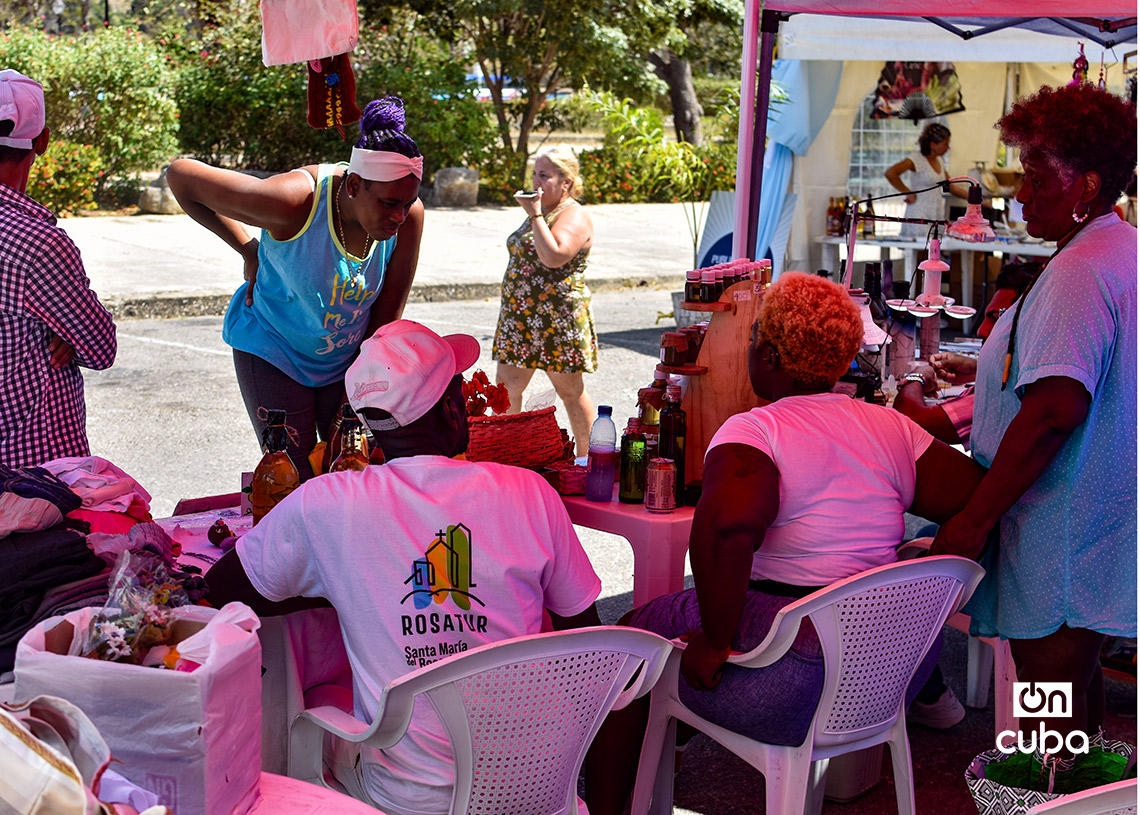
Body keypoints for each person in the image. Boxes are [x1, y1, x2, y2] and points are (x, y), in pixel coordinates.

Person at [584, 272, 985, 815]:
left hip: (794, 674)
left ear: (768, 356)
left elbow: (727, 531)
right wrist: (930, 567)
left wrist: (715, 640)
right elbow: (978, 502)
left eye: (751, 342)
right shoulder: (892, 429)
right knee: (671, 632)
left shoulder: (756, 430)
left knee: (626, 644)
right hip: (891, 668)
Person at [206, 319, 602, 815]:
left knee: (321, 699)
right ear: (455, 409)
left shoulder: (326, 505)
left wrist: (343, 581)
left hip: (408, 799)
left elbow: (221, 588)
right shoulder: (530, 494)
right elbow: (587, 638)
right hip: (534, 790)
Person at [931, 83, 1137, 751]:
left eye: (1038, 176)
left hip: (1059, 532)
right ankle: (1082, 793)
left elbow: (1056, 408)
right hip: (1095, 522)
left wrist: (972, 518)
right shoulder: (1118, 248)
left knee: (1048, 712)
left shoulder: (1082, 270)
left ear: (1089, 184)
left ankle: (1057, 798)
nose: (1021, 193)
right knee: (1073, 694)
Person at [166, 97, 425, 479]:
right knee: (294, 476)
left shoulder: (407, 218)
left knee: (353, 472)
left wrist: (354, 395)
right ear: (353, 184)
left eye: (408, 203)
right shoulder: (294, 202)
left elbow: (386, 317)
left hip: (346, 360)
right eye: (389, 204)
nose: (399, 217)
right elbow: (181, 175)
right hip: (275, 351)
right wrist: (247, 249)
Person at [0, 69, 116, 467]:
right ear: (43, 141)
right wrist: (63, 327)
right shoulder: (36, 243)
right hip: (33, 476)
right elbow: (100, 348)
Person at [492, 147, 597, 455]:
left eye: (545, 176)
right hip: (522, 318)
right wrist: (536, 213)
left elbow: (553, 256)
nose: (536, 182)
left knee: (570, 392)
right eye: (535, 174)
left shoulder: (573, 214)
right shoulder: (541, 211)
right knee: (505, 390)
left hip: (555, 320)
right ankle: (505, 457)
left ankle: (588, 460)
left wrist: (535, 214)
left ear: (567, 182)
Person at [894, 262, 1040, 447]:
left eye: (995, 318)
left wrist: (918, 376)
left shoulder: (1003, 394)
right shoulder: (1029, 376)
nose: (980, 330)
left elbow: (912, 420)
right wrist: (979, 368)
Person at [884, 123, 971, 237]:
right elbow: (891, 173)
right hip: (919, 213)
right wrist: (908, 192)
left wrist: (977, 200)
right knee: (920, 251)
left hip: (935, 213)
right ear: (933, 145)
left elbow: (950, 187)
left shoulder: (939, 161)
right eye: (945, 144)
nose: (948, 148)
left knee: (934, 251)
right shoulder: (916, 159)